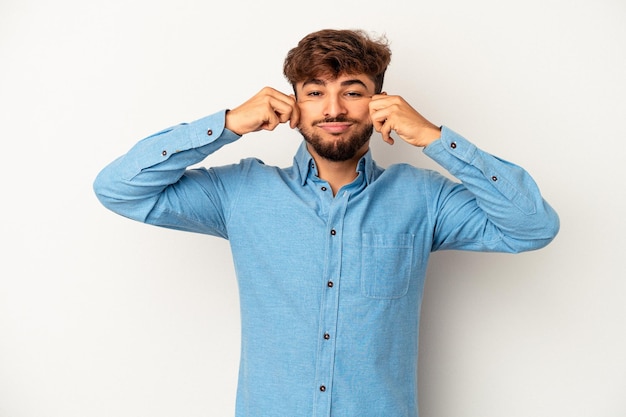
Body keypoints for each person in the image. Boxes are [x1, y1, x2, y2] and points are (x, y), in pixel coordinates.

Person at [94, 29, 559, 417]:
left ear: (380, 102)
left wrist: (436, 139)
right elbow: (118, 188)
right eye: (315, 92)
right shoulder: (239, 194)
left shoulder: (424, 199)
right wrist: (229, 123)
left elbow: (532, 226)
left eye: (352, 92)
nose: (333, 109)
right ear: (292, 105)